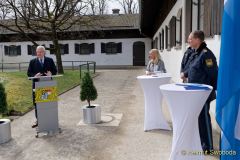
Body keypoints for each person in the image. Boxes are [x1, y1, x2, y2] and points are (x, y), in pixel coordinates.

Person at [186, 30, 218, 153]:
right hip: (194, 93)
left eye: (190, 39)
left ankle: (208, 147)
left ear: (198, 40)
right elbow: (193, 69)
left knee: (204, 119)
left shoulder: (206, 55)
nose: (188, 41)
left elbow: (213, 74)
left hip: (203, 94)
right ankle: (201, 142)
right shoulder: (195, 53)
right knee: (198, 118)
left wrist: (210, 92)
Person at [27, 46, 57, 128]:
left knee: (48, 102)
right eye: (37, 52)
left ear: (44, 52)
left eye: (40, 52)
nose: (39, 53)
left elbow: (55, 71)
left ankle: (49, 119)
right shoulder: (32, 61)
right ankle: (38, 120)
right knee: (38, 103)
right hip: (37, 86)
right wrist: (34, 75)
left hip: (48, 86)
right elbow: (29, 74)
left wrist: (51, 74)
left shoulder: (50, 60)